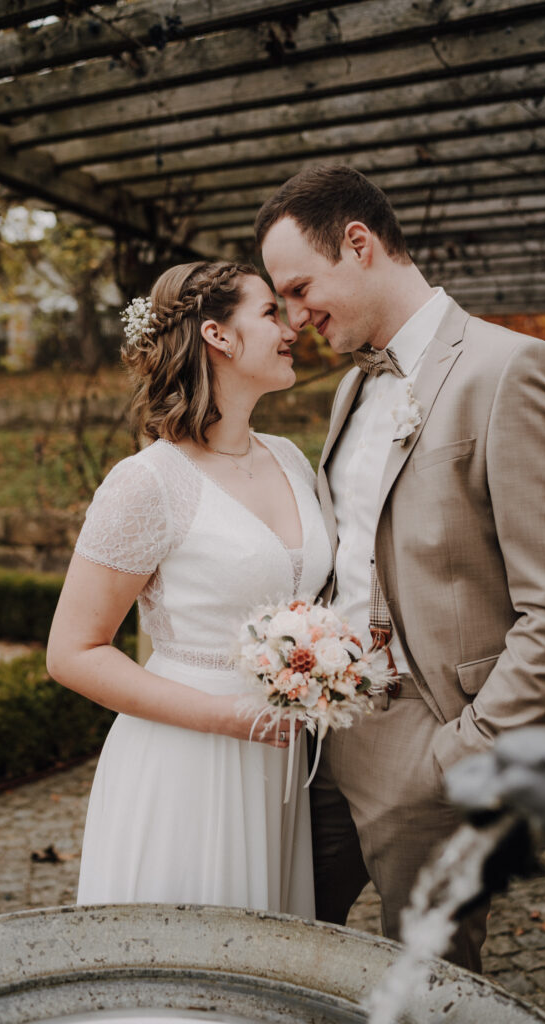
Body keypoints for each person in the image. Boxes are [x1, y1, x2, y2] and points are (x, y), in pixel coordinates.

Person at [256, 165, 545, 970]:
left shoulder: (509, 368)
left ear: (358, 243)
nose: (296, 317)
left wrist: (462, 752)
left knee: (427, 983)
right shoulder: (349, 389)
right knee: (283, 947)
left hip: (433, 735)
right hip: (326, 735)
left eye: (300, 289)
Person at [46, 260, 333, 913]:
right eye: (270, 312)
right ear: (217, 335)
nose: (292, 328)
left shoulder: (290, 457)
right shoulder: (148, 483)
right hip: (187, 757)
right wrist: (225, 718)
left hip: (279, 760)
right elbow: (71, 653)